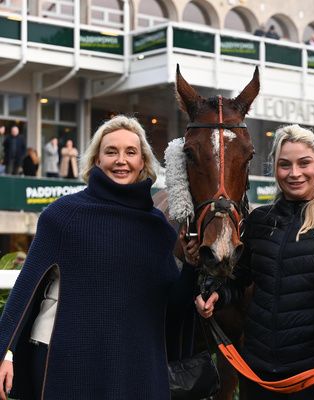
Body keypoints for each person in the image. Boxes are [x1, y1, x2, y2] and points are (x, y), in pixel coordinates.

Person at [0, 115, 182, 400]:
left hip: (136, 368)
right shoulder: (62, 216)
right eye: (111, 152)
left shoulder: (158, 227)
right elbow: (25, 289)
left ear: (143, 162)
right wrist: (4, 353)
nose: (121, 160)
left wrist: (195, 268)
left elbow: (173, 301)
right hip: (68, 365)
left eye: (130, 152)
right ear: (97, 160)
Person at [196, 124, 314, 398]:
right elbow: (239, 279)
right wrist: (215, 296)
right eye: (284, 165)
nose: (294, 173)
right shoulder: (259, 221)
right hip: (257, 373)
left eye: (303, 163)